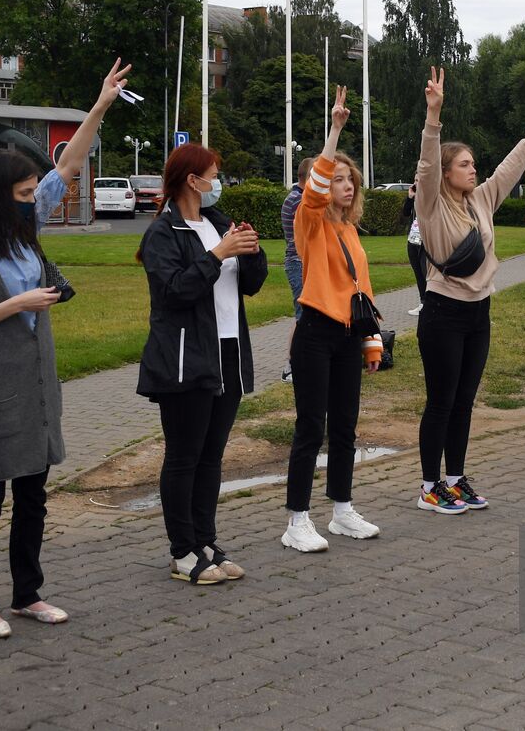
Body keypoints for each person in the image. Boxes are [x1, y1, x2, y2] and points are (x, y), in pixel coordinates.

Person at [0, 59, 129, 638]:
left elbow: (68, 165)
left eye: (32, 193)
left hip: (39, 385)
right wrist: (14, 306)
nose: (32, 199)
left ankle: (28, 592)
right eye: (22, 193)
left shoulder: (27, 233)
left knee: (34, 495)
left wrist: (99, 105)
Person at [414, 68, 525, 513]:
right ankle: (429, 486)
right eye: (465, 164)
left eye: (473, 164)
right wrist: (434, 116)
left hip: (479, 313)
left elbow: (511, 166)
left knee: (465, 401)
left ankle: (455, 478)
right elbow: (428, 163)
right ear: (447, 173)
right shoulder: (432, 204)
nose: (474, 169)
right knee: (442, 401)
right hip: (443, 313)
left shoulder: (482, 200)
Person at [137, 143, 268, 585]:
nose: (218, 185)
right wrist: (217, 255)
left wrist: (250, 251)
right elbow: (175, 291)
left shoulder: (217, 222)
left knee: (211, 456)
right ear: (193, 181)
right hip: (185, 357)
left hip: (227, 351)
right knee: (184, 456)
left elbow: (250, 285)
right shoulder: (163, 232)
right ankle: (182, 551)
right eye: (213, 176)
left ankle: (205, 541)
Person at [282, 86, 384, 551]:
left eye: (351, 180)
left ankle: (341, 509)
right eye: (339, 178)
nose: (345, 184)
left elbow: (362, 290)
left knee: (345, 425)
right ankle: (297, 521)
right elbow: (314, 190)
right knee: (311, 427)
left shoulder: (350, 230)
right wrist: (336, 129)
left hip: (347, 336)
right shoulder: (311, 221)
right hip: (315, 333)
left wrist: (372, 341)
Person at [279, 157, 314, 381]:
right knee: (303, 316)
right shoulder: (298, 200)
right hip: (298, 261)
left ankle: (299, 362)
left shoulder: (298, 198)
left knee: (306, 315)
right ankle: (292, 366)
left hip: (302, 261)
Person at [403, 182, 428, 313]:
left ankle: (431, 304)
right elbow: (406, 213)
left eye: (420, 179)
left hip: (426, 243)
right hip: (413, 241)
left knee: (426, 273)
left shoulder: (431, 196)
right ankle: (423, 302)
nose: (417, 182)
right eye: (416, 179)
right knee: (418, 274)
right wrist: (410, 197)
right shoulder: (414, 197)